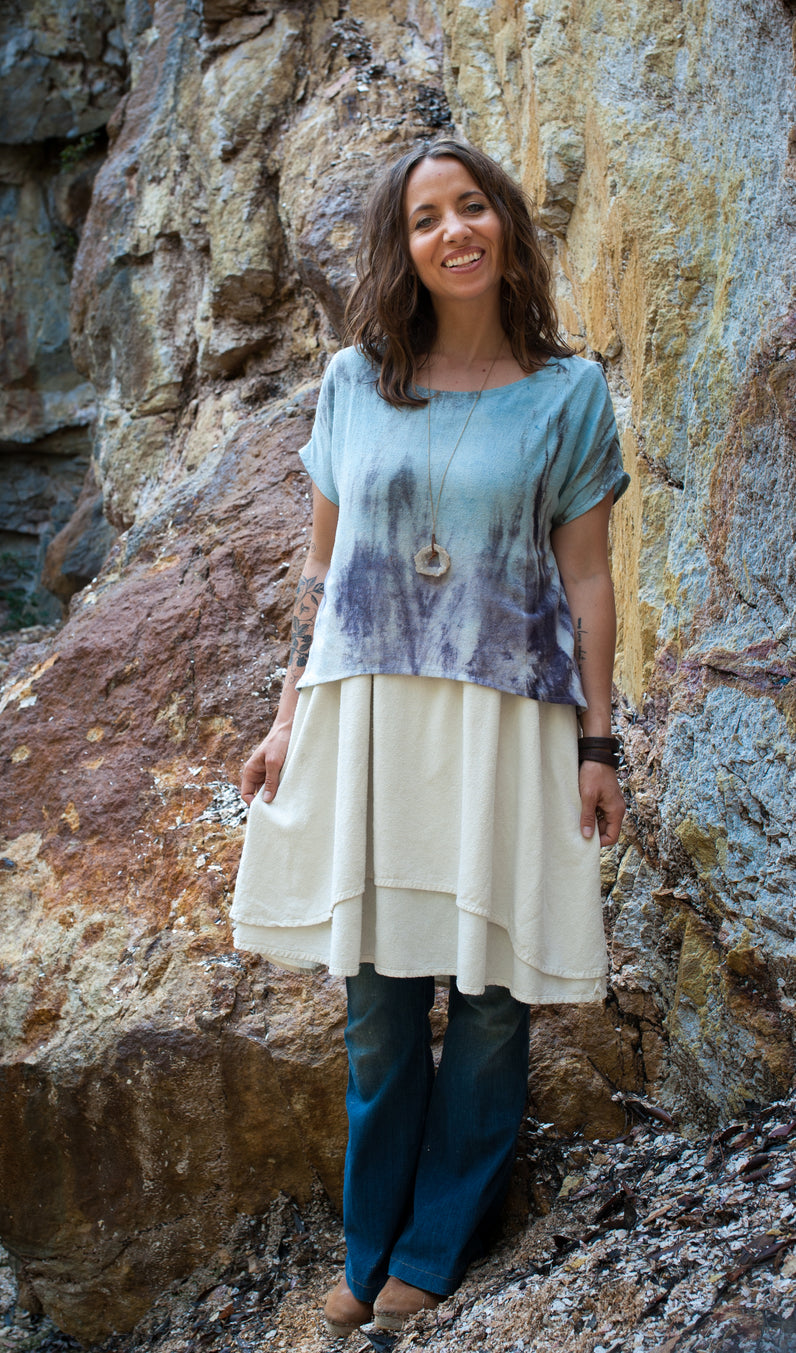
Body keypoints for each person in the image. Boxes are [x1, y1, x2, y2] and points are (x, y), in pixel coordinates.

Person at [230, 137, 629, 1338]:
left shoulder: (569, 393)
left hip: (509, 713)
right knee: (380, 1000)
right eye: (424, 218)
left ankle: (436, 1244)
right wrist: (286, 715)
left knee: (494, 997)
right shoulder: (354, 383)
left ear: (504, 223)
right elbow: (320, 569)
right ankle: (369, 1253)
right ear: (401, 249)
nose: (453, 231)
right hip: (372, 714)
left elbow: (589, 579)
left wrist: (599, 745)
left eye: (471, 207)